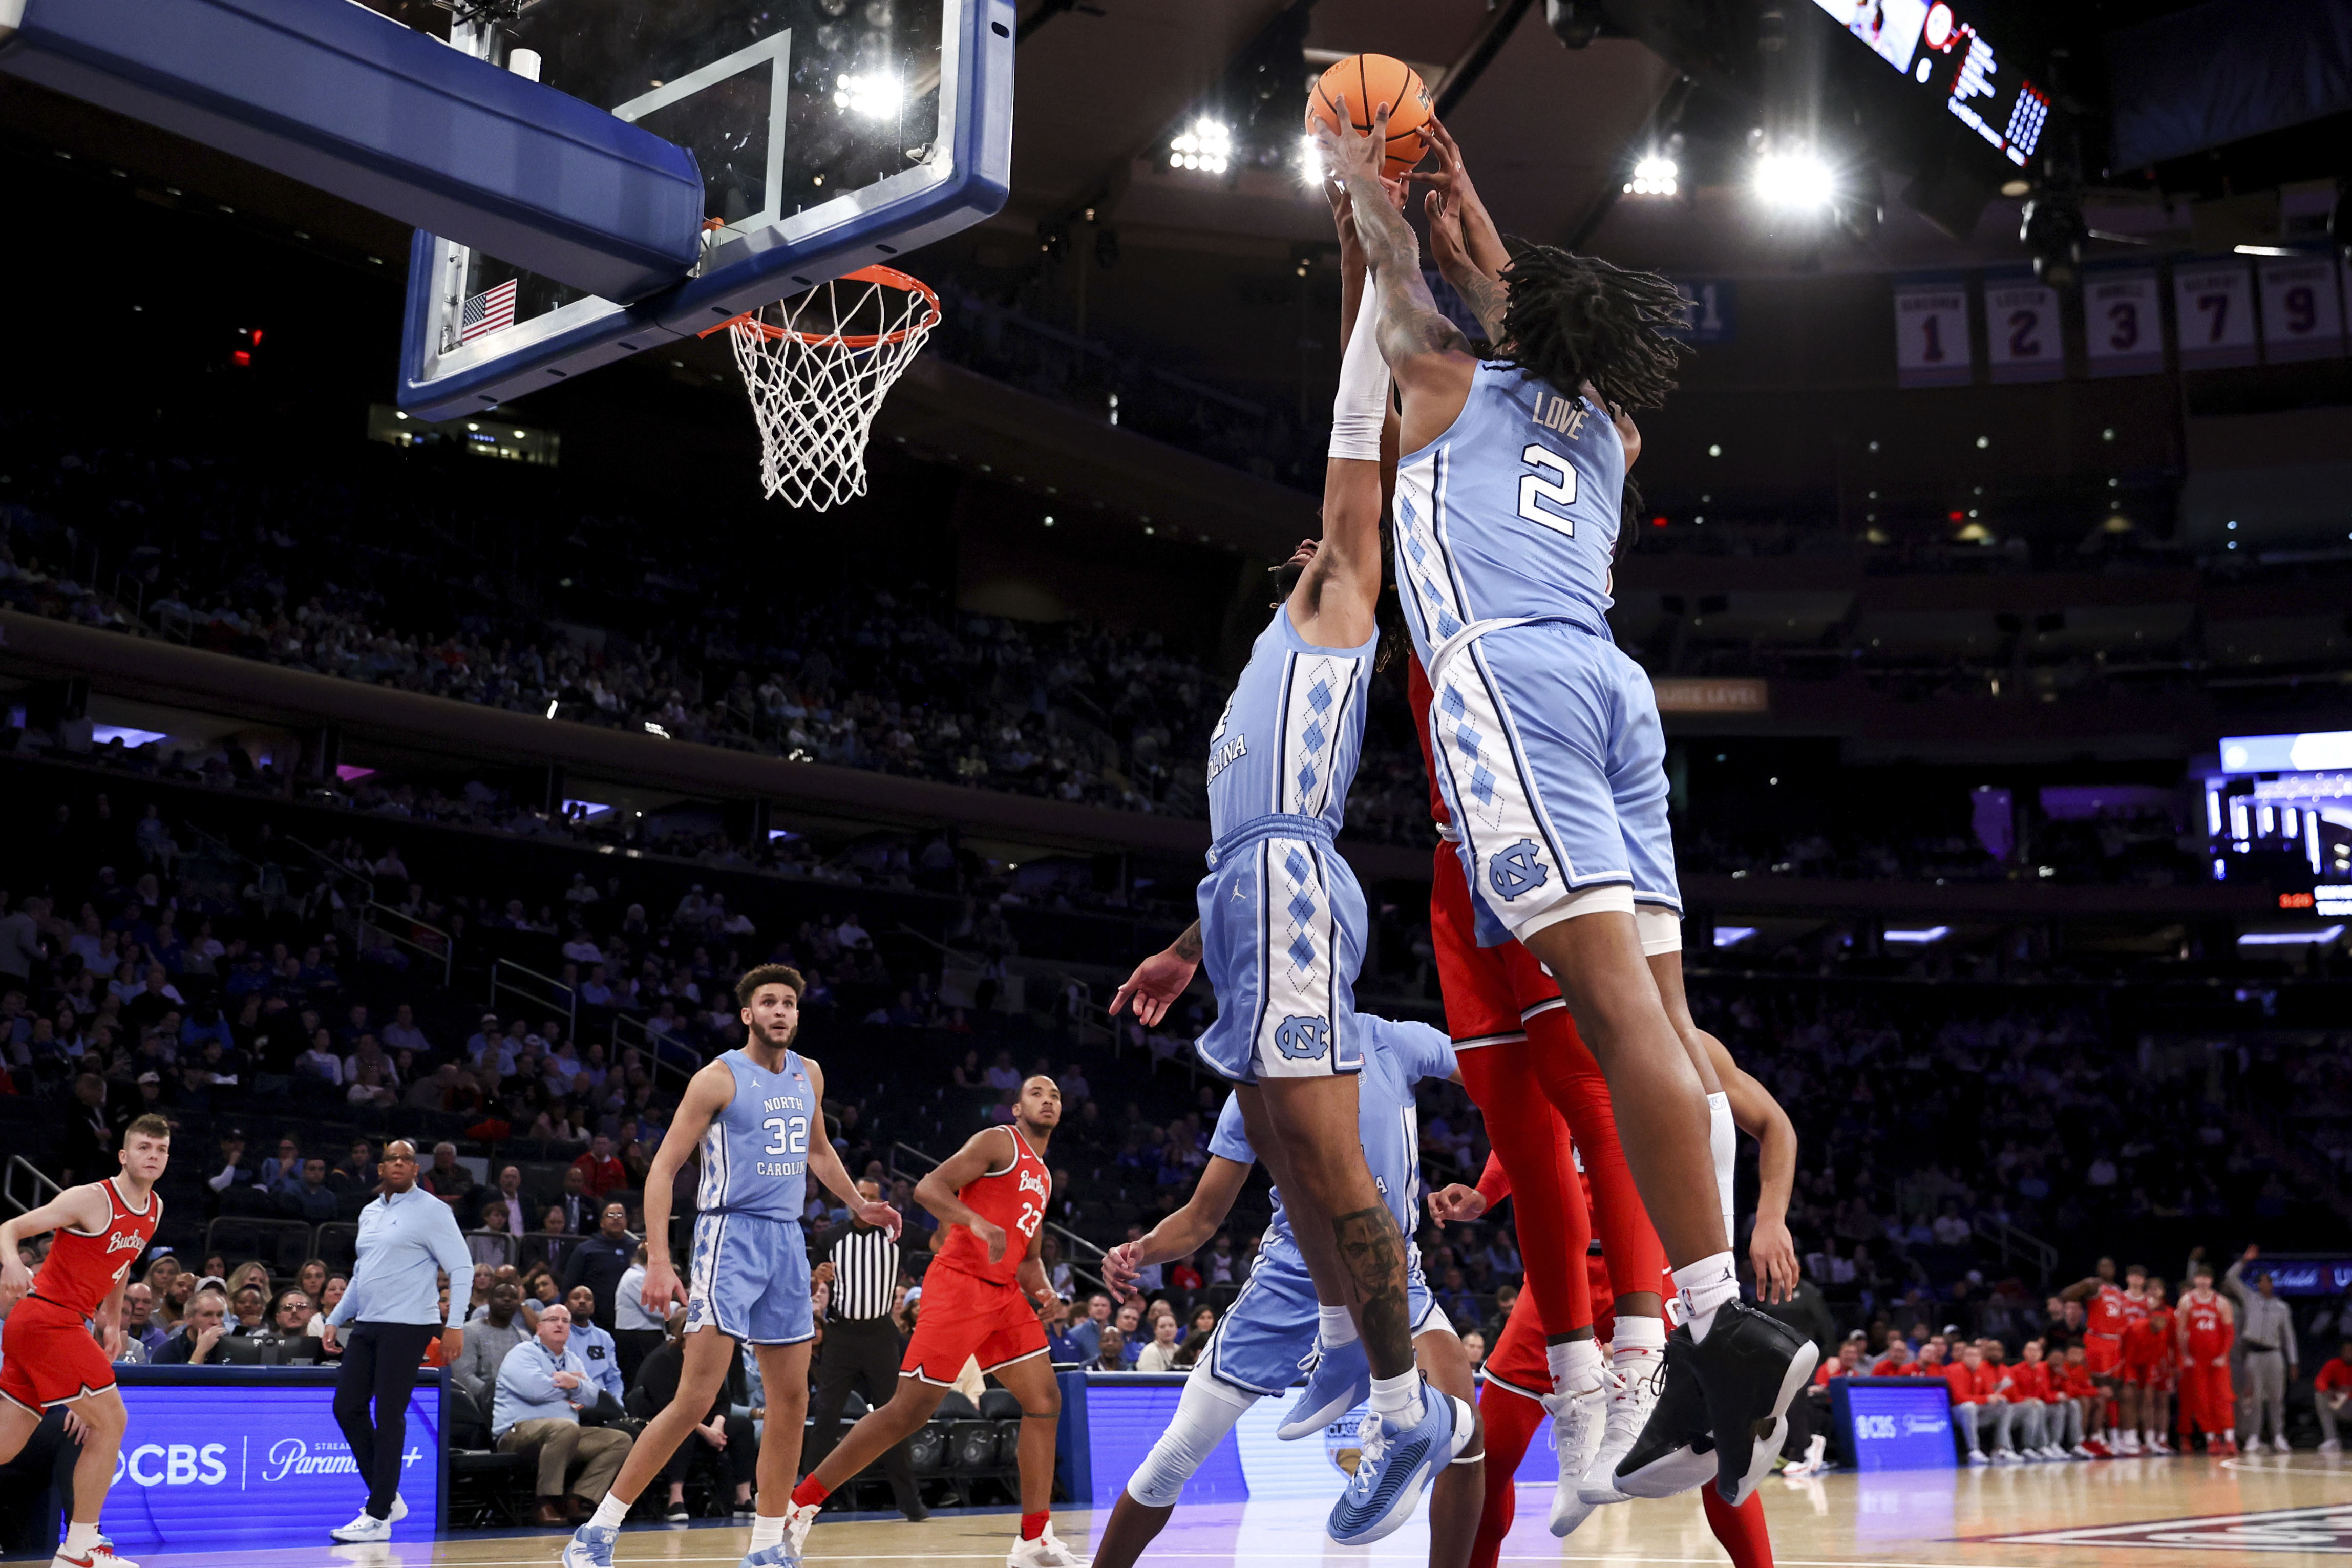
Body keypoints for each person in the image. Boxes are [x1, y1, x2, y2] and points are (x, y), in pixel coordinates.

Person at [1317, 102, 1810, 1507]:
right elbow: (1525, 313)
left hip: (1510, 677)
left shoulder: (1449, 386)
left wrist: (1369, 190)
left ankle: (1721, 1326)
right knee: (1658, 1022)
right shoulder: (1613, 424)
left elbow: (1384, 301)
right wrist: (1465, 211)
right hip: (1617, 688)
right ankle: (1708, 1319)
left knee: (1609, 1022)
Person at [1108, 170, 1467, 1548]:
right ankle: (1339, 1334)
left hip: (1289, 883)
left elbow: (1354, 426)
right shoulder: (1273, 650)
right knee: (1278, 1135)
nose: (1316, 532)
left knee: (1324, 1156)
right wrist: (1187, 942)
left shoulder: (1341, 594)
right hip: (1245, 895)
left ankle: (1395, 1400)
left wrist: (1363, 258)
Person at [1089, 1014, 1478, 1568]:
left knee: (1466, 1433)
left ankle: (1407, 1442)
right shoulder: (1259, 1080)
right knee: (1173, 1458)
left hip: (1389, 1270)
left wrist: (1494, 1177)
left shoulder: (1388, 1037)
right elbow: (1203, 1216)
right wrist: (1142, 1249)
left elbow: (1488, 1073)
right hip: (1291, 1280)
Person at [564, 966, 896, 1568]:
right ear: (747, 1014)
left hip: (787, 1241)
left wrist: (858, 1204)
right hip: (728, 1236)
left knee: (792, 1398)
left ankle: (767, 1542)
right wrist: (661, 1260)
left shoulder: (808, 1073)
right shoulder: (716, 1077)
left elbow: (819, 1150)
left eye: (789, 1003)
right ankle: (596, 1532)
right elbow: (663, 1168)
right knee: (695, 1397)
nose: (780, 1011)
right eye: (768, 1002)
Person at [788, 1077, 1080, 1567]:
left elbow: (1027, 1258)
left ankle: (1034, 1539)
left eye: (1055, 1095)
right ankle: (802, 1505)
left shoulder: (1045, 1177)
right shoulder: (998, 1141)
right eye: (1037, 1092)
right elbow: (928, 1188)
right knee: (909, 1412)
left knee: (1044, 1399)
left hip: (1006, 1294)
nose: (1048, 1099)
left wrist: (1046, 1292)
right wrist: (975, 1222)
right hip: (960, 1284)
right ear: (1016, 1106)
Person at [0, 1112, 169, 1568]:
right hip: (48, 1320)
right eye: (144, 1148)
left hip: (52, 1325)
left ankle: (80, 1545)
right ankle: (80, 1547)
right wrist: (14, 1263)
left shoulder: (153, 1209)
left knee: (6, 1444)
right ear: (124, 1155)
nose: (152, 1157)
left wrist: (111, 1322)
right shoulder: (89, 1198)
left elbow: (122, 1263)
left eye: (161, 1150)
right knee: (111, 1422)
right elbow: (8, 1229)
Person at [321, 1138, 473, 1543]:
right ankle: (387, 1496)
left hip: (410, 1325)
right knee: (346, 1407)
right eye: (393, 1159)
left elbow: (461, 1268)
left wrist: (453, 1325)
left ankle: (377, 1514)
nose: (401, 1164)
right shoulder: (370, 1212)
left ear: (416, 1169)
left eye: (408, 1159)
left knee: (389, 1415)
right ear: (381, 1167)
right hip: (368, 1323)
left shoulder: (433, 1211)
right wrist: (335, 1319)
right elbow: (361, 1273)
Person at [804, 1179, 925, 1522]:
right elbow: (810, 1281)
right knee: (826, 1418)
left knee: (895, 1418)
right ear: (851, 1200)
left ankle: (909, 1501)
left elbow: (935, 1239)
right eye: (863, 1197)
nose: (868, 1203)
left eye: (874, 1198)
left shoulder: (895, 1234)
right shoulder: (831, 1237)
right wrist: (817, 1276)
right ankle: (805, 1501)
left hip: (880, 1336)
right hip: (841, 1335)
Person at [494, 1304, 633, 1525]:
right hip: (518, 1432)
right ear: (539, 1328)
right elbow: (535, 1390)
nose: (560, 1324)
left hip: (565, 1435)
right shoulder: (522, 1353)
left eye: (565, 1321)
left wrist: (574, 1383)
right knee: (565, 1427)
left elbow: (592, 1398)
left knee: (620, 1440)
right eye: (552, 1320)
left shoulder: (572, 1359)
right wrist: (574, 1385)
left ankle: (579, 1499)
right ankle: (546, 1502)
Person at [628, 1308, 756, 1523]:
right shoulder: (664, 1359)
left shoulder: (710, 1360)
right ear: (686, 1332)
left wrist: (717, 1424)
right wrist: (704, 1430)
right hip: (667, 1421)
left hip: (705, 1423)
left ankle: (743, 1497)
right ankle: (675, 1499)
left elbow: (723, 1400)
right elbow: (668, 1406)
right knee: (681, 1432)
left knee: (743, 1427)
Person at [2060, 1258, 2138, 1452]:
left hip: (2115, 1343)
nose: (2106, 1269)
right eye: (2102, 1266)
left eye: (2110, 1265)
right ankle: (2093, 1436)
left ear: (2115, 1269)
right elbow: (2065, 1296)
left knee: (2114, 1392)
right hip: (2097, 1341)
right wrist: (2083, 1284)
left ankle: (2112, 1436)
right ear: (2097, 1269)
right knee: (2097, 1388)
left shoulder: (2120, 1292)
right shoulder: (2095, 1287)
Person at [2225, 1247, 2297, 1452]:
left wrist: (2293, 1361)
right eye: (2260, 1282)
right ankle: (2254, 1437)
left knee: (2276, 1398)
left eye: (2267, 1281)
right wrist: (2244, 1261)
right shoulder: (2250, 1299)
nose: (2263, 1284)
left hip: (2274, 1355)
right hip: (2254, 1355)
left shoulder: (2282, 1307)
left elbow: (2289, 1337)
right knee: (2254, 1398)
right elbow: (2230, 1278)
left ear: (2272, 1285)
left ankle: (2278, 1436)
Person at [2178, 1265, 2237, 1453]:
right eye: (2200, 1278)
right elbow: (2181, 1331)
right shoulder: (2187, 1301)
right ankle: (2211, 1439)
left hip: (2217, 1360)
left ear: (2211, 1281)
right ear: (2195, 1280)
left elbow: (2229, 1332)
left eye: (2207, 1278)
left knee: (2223, 1398)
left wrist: (2223, 1355)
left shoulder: (2221, 1302)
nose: (2203, 1281)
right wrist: (2185, 1355)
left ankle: (2229, 1439)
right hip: (2197, 1360)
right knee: (2202, 1401)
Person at [450, 1279, 535, 1406]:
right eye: (501, 1296)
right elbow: (464, 1377)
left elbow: (530, 1378)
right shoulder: (469, 1331)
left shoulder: (525, 1338)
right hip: (478, 1405)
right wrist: (498, 1396)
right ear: (489, 1300)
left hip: (518, 1404)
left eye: (513, 1297)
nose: (507, 1299)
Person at [2123, 1278, 2177, 1455]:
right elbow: (2128, 1357)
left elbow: (2153, 1360)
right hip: (2130, 1364)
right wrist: (2130, 1377)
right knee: (2131, 1398)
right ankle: (2130, 1437)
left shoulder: (2162, 1332)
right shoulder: (2137, 1328)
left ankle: (2154, 1439)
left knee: (2153, 1399)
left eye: (2165, 1322)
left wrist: (2148, 1382)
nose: (2163, 1324)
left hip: (2154, 1366)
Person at [564, 1286, 625, 1409]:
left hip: (602, 1401)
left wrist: (617, 1404)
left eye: (588, 1299)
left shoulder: (604, 1337)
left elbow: (614, 1378)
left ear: (593, 1308)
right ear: (566, 1306)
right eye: (576, 1298)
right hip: (570, 1401)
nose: (582, 1301)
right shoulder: (559, 1334)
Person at [2313, 1340, 2352, 1452]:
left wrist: (2348, 1391)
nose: (2349, 1354)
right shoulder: (2334, 1364)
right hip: (2341, 1404)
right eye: (2347, 1351)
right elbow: (2319, 1382)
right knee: (2320, 1396)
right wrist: (2330, 1391)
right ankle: (2332, 1439)